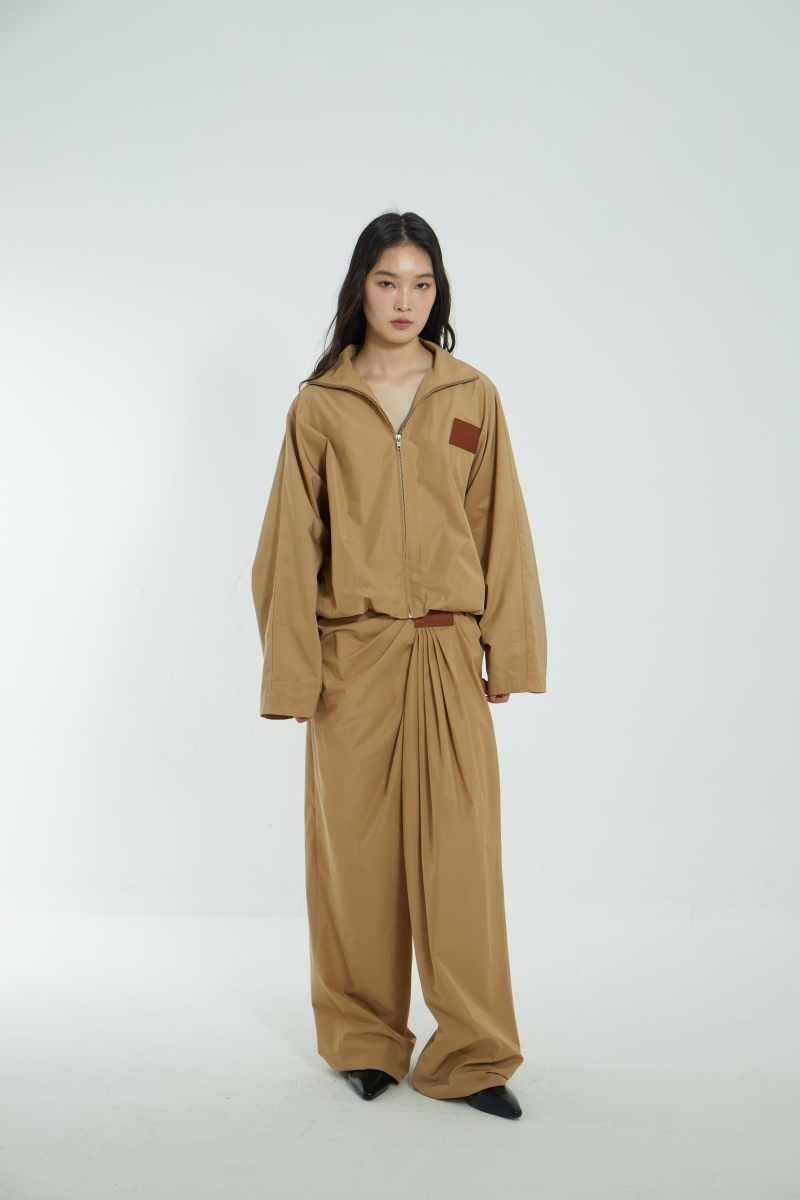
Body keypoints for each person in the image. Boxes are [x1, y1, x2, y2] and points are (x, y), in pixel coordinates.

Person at [251, 210, 547, 1120]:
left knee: (462, 855)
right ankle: (364, 1041)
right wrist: (295, 675)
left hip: (449, 648)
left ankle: (475, 1054)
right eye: (388, 282)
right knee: (356, 860)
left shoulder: (472, 395)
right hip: (355, 655)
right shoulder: (320, 405)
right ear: (361, 289)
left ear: (438, 291)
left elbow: (503, 527)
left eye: (421, 283)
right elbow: (288, 551)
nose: (405, 300)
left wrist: (509, 649)